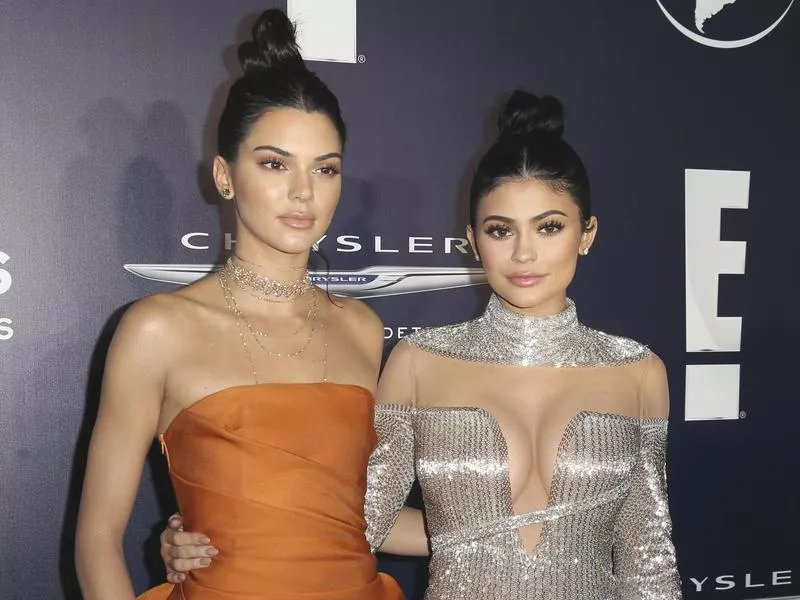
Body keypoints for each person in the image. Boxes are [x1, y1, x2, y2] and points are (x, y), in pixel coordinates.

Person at [162, 90, 683, 599]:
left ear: (586, 233)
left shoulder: (638, 372)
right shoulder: (420, 362)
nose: (525, 253)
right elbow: (356, 522)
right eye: (501, 230)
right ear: (474, 239)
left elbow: (648, 560)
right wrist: (216, 537)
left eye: (549, 227)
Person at [74, 8, 404, 600]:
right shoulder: (157, 330)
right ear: (225, 176)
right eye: (274, 164)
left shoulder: (362, 327)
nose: (303, 192)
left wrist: (528, 527)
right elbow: (98, 542)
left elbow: (351, 513)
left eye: (324, 169)